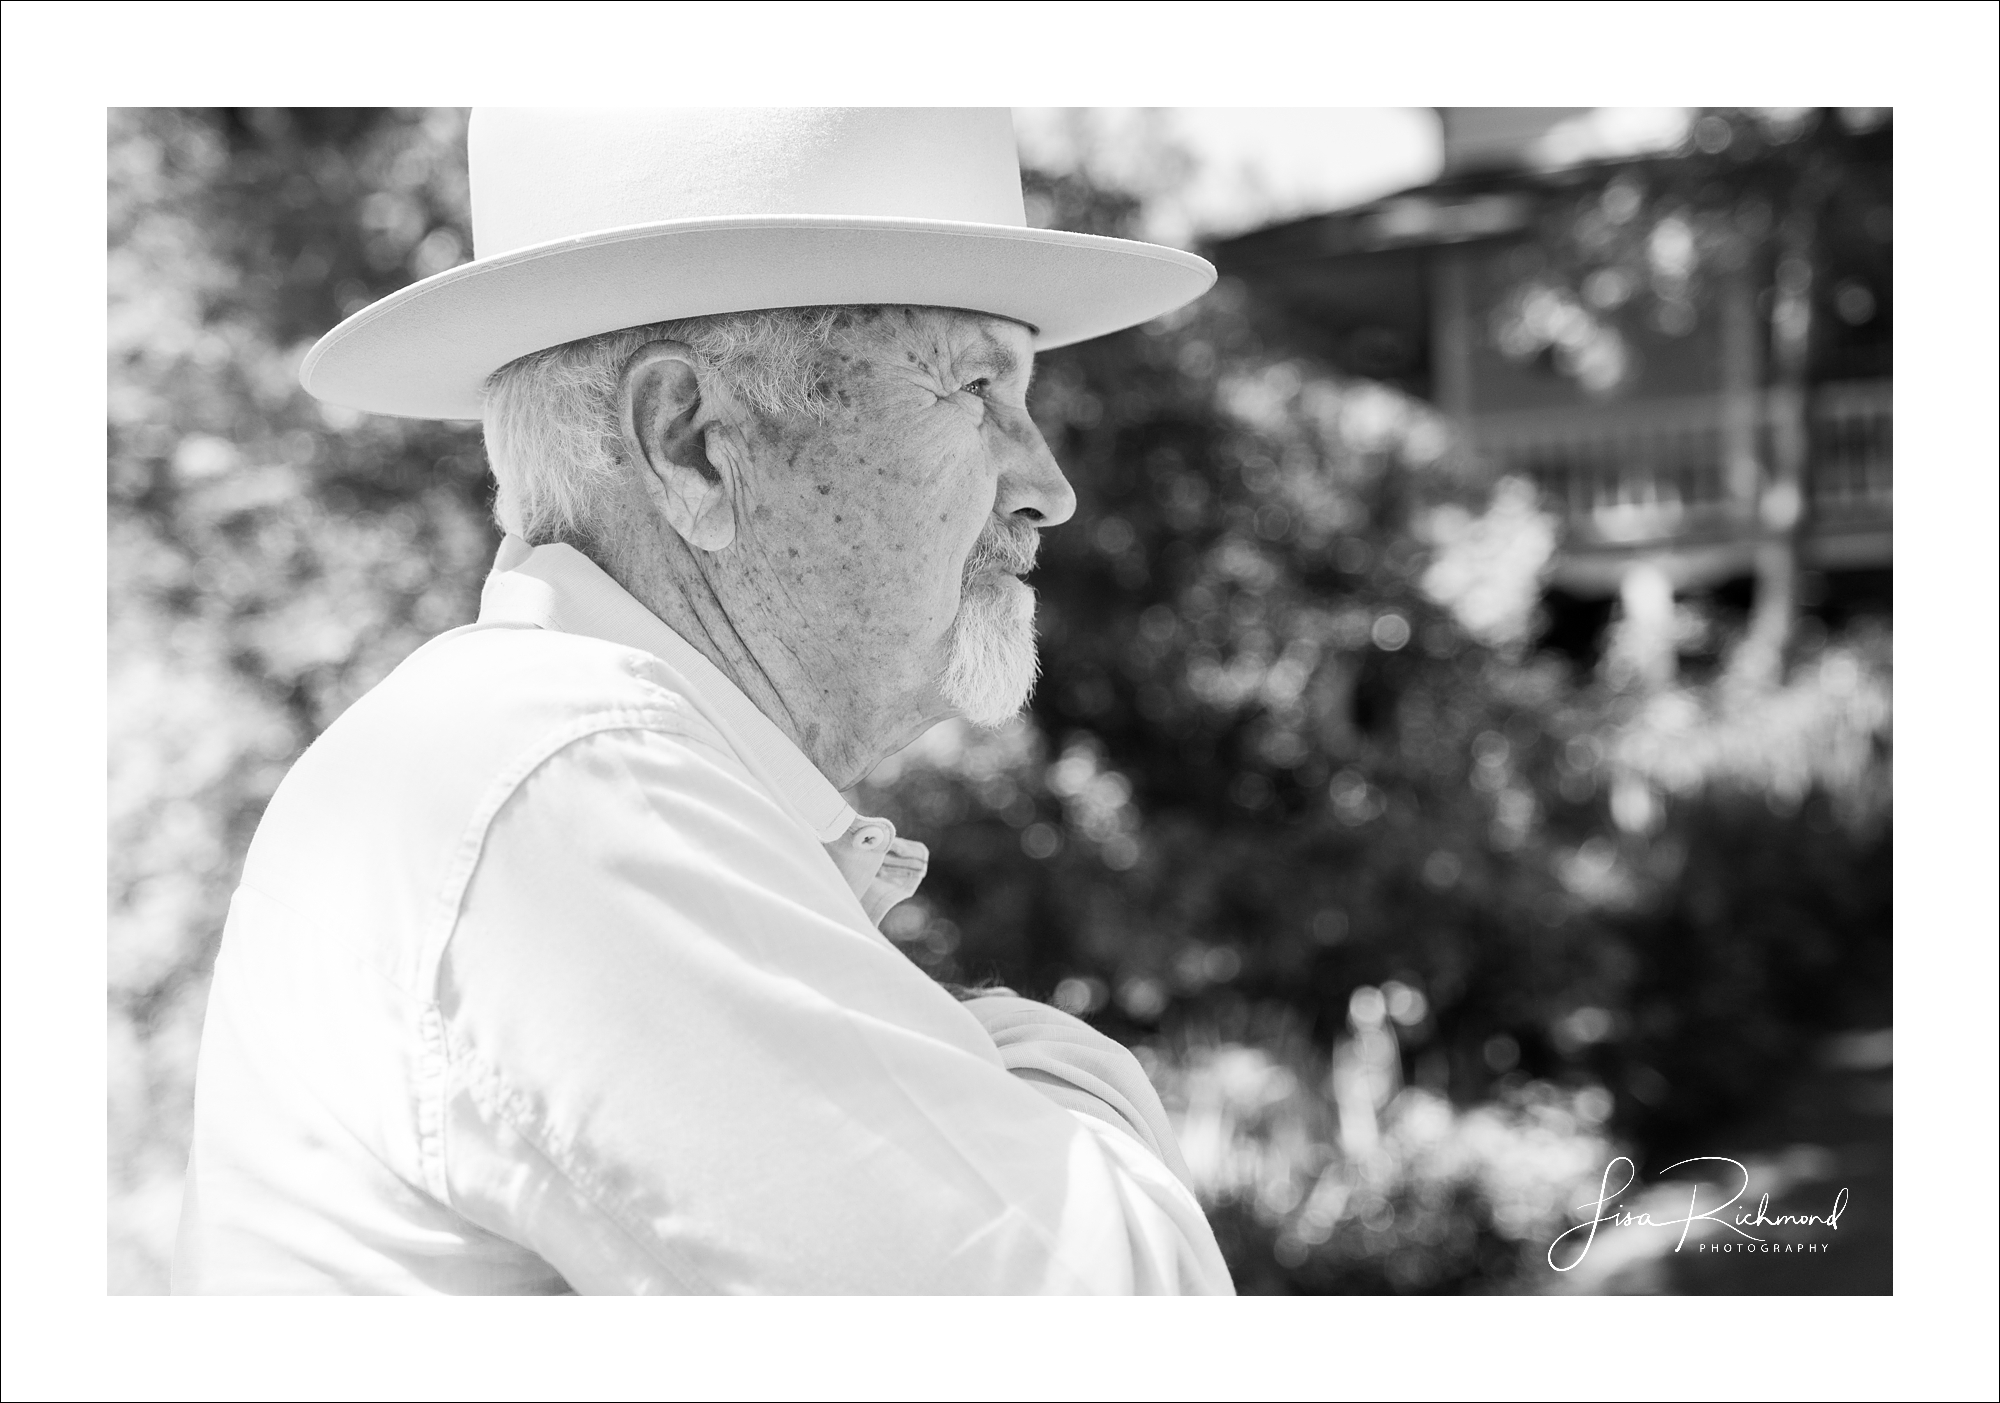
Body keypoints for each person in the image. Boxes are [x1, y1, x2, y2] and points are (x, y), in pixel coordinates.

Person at [174, 107, 1232, 1294]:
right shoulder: (572, 780)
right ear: (688, 443)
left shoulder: (530, 759)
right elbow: (1122, 1304)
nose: (1049, 486)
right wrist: (1009, 1053)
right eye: (976, 385)